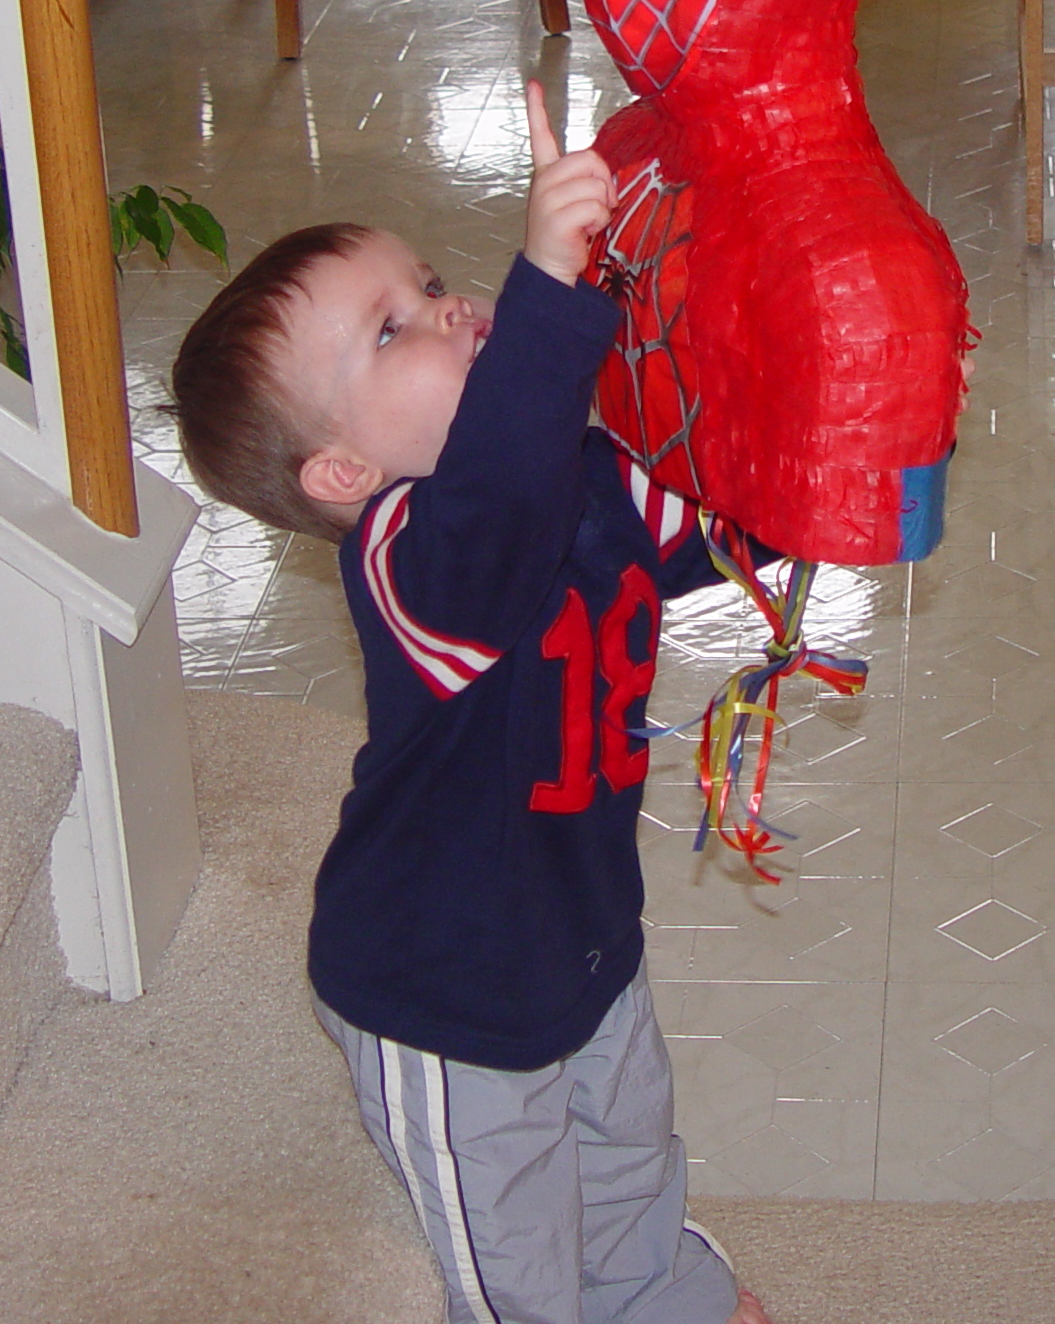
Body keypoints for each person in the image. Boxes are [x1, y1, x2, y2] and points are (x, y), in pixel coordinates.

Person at [168, 85, 773, 1324]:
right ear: (342, 472)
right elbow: (497, 508)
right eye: (393, 332)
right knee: (514, 1243)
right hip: (438, 984)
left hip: (581, 917)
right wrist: (550, 287)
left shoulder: (567, 480)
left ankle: (660, 1295)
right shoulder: (407, 555)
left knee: (626, 1147)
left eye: (432, 283)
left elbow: (703, 524)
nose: (446, 308)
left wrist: (813, 458)